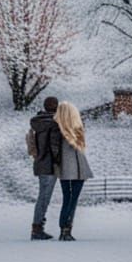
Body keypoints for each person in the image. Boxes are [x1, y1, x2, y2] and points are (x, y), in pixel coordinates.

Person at [54, 101, 93, 241]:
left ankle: (64, 228)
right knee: (72, 199)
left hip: (64, 168)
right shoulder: (75, 128)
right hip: (77, 168)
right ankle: (66, 229)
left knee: (67, 199)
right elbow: (80, 147)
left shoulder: (56, 128)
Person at [26, 95, 62, 240]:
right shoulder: (55, 124)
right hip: (50, 164)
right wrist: (59, 160)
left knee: (43, 196)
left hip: (40, 162)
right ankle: (37, 228)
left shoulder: (37, 122)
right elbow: (54, 146)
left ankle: (38, 227)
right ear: (56, 107)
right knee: (44, 197)